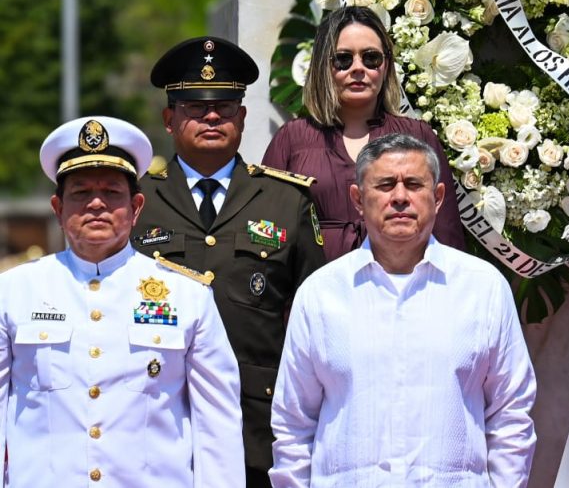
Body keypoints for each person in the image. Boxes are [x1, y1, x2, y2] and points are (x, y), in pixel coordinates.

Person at [270, 133, 536, 486]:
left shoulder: (483, 288)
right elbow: (293, 422)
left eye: (413, 184)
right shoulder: (321, 294)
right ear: (358, 199)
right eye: (384, 185)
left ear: (438, 197)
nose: (399, 197)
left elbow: (511, 412)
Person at [0, 116, 243, 486]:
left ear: (136, 207)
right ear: (58, 208)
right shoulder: (15, 291)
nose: (96, 203)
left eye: (112, 192)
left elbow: (218, 428)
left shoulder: (186, 296)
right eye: (80, 192)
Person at [133, 36, 327, 488]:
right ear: (169, 118)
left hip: (256, 427)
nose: (212, 115)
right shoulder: (139, 201)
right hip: (157, 418)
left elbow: (315, 317)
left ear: (241, 116)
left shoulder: (286, 200)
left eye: (224, 105)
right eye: (194, 107)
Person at [262, 5, 466, 260]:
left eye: (371, 58)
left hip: (406, 289)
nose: (358, 68)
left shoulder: (418, 137)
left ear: (386, 65)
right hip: (315, 290)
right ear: (324, 66)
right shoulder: (291, 140)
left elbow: (446, 234)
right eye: (343, 59)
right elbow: (266, 234)